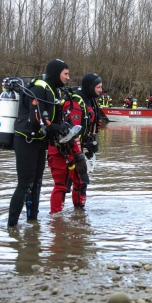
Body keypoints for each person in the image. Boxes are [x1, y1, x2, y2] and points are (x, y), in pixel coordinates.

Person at [8, 59, 70, 227]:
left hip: (39, 143)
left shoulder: (54, 91)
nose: (68, 78)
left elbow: (51, 120)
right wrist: (59, 128)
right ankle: (11, 227)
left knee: (36, 183)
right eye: (65, 74)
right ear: (57, 73)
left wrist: (62, 130)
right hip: (25, 141)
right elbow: (37, 121)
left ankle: (32, 223)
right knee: (25, 183)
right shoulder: (38, 89)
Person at [49, 73, 103, 213]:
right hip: (63, 149)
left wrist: (90, 146)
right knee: (62, 185)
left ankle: (79, 216)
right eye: (98, 87)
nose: (100, 90)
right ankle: (56, 220)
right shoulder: (75, 103)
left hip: (78, 149)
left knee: (81, 182)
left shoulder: (91, 101)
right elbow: (71, 132)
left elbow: (88, 129)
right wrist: (78, 157)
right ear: (90, 87)